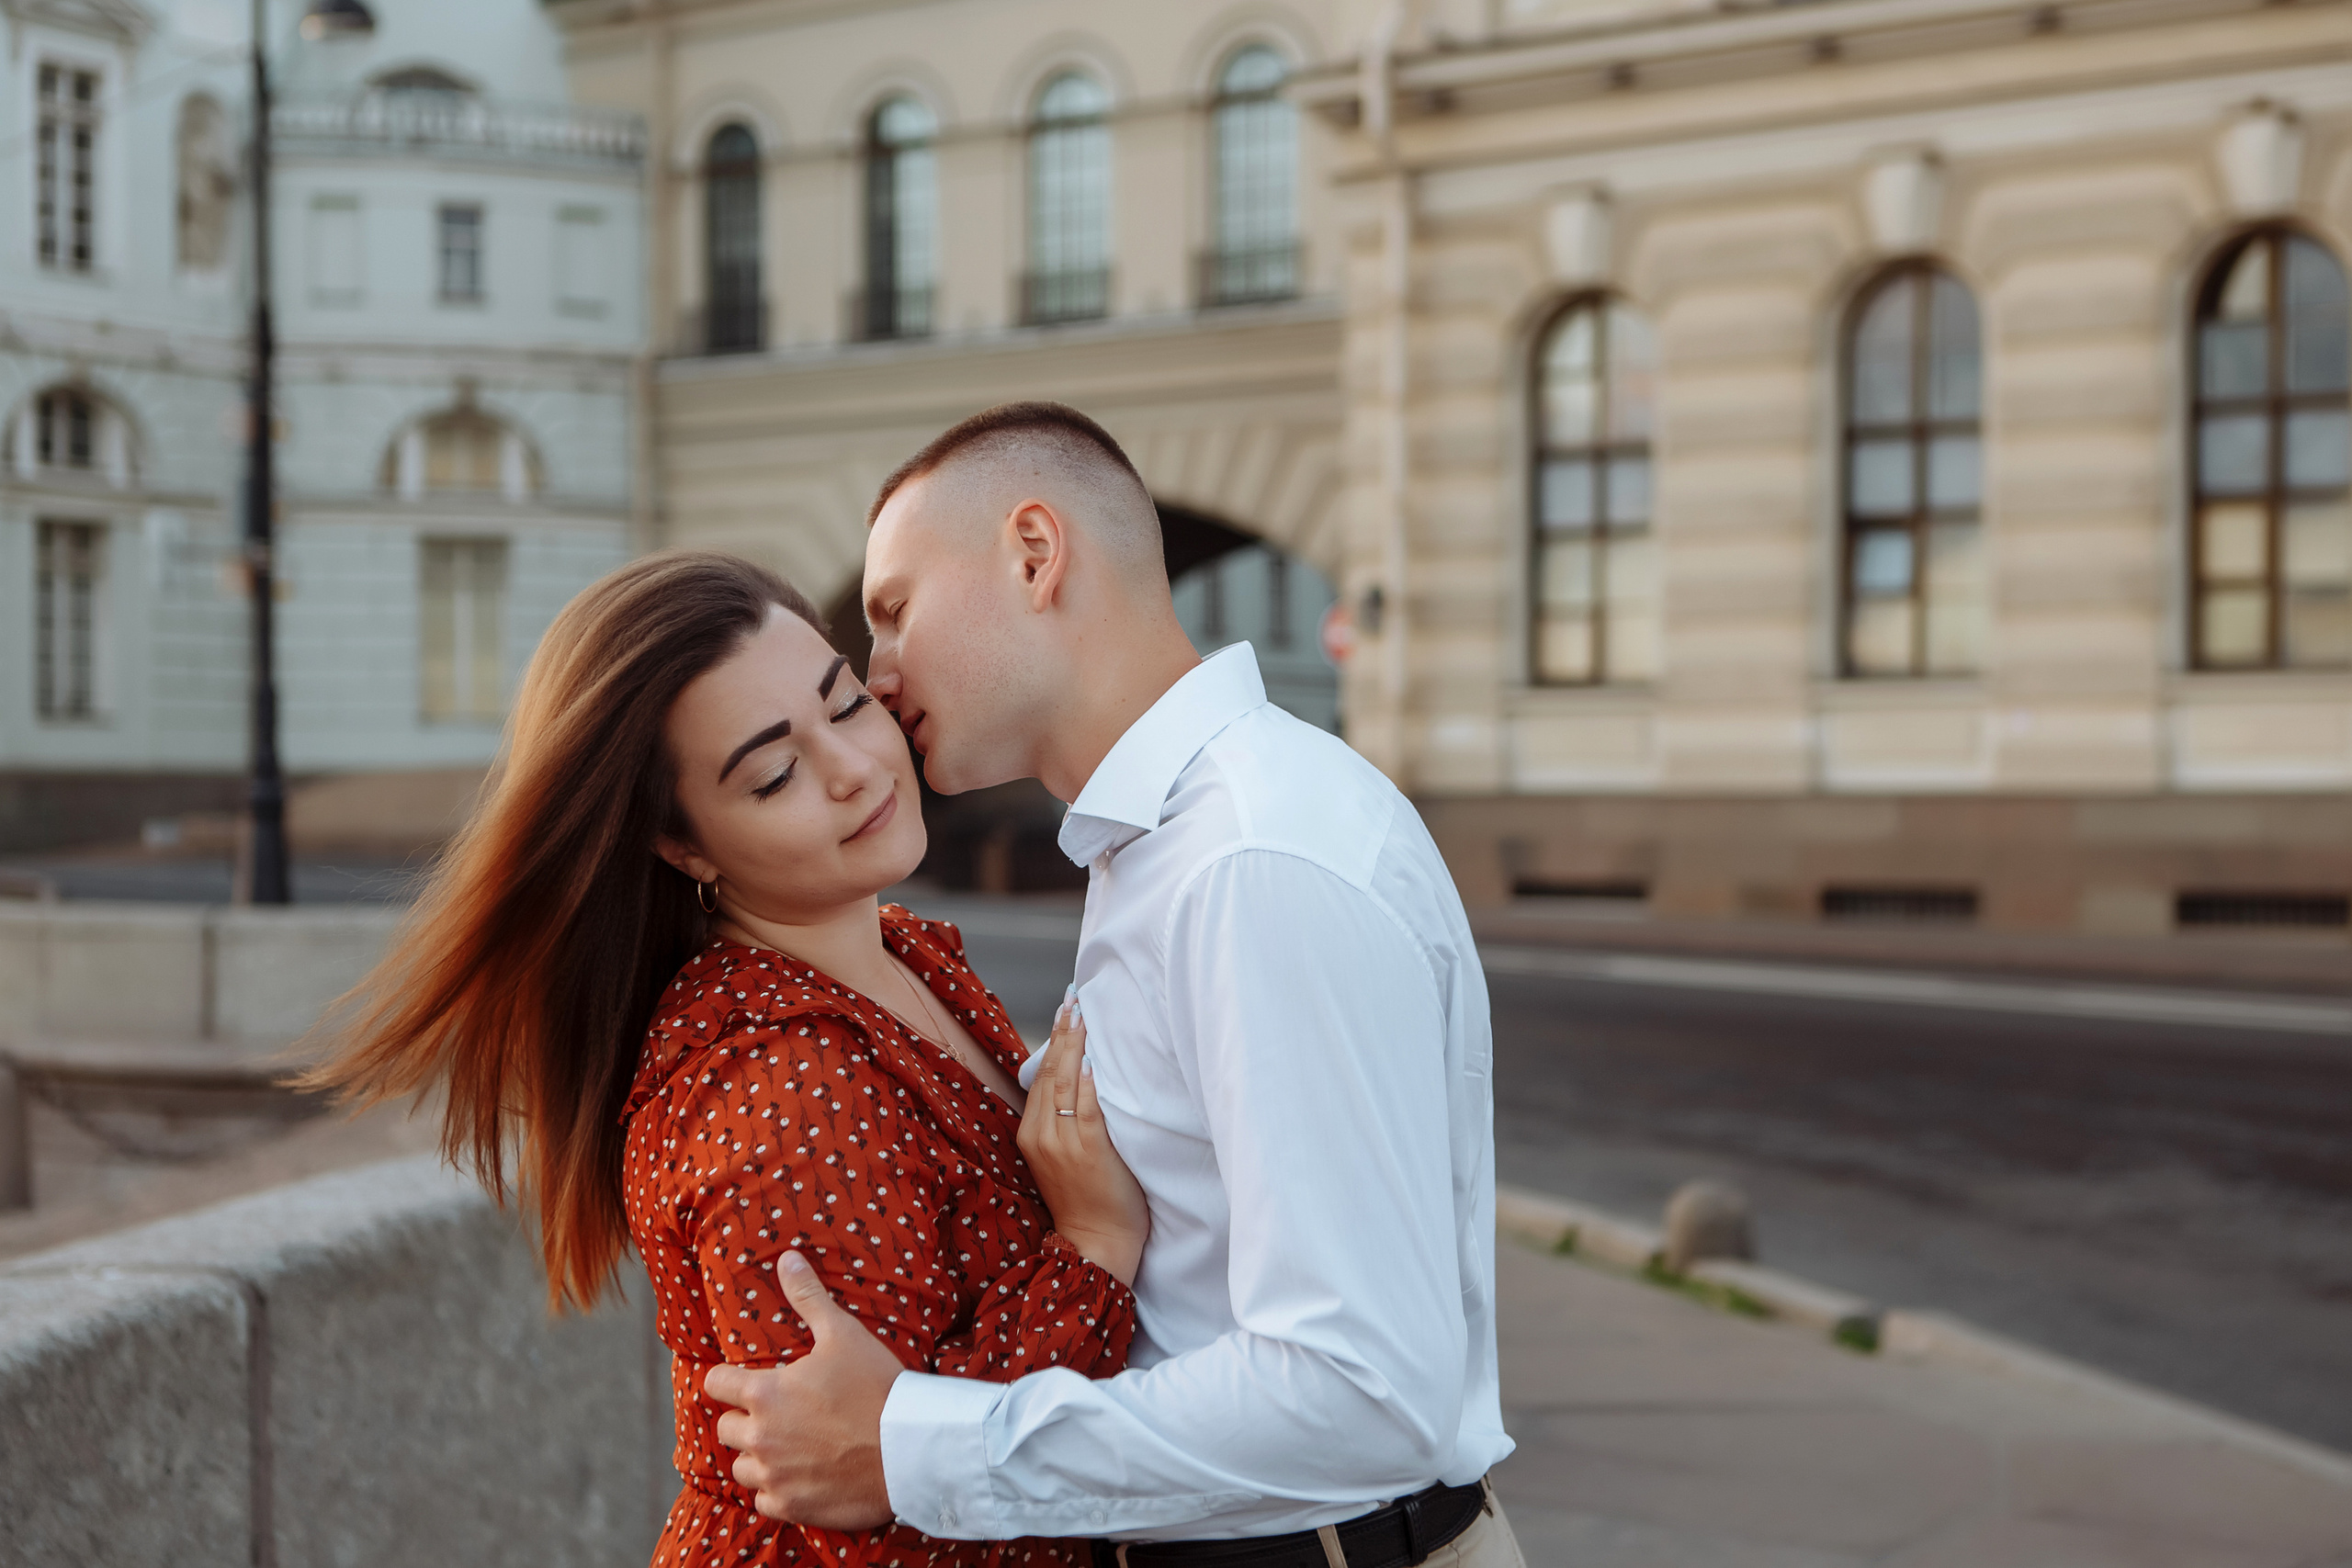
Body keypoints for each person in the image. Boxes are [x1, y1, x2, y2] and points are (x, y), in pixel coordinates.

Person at [704, 404, 1522, 1568]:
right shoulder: (1163, 845)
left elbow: (1360, 1394)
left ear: (1034, 554)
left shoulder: (1251, 859)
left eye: (893, 613)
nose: (879, 677)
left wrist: (917, 1448)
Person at [309, 550, 1152, 1568]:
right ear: (685, 847)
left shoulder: (901, 954)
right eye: (773, 773)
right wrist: (1093, 1247)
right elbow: (889, 1520)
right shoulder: (785, 1091)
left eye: (843, 705)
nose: (853, 768)